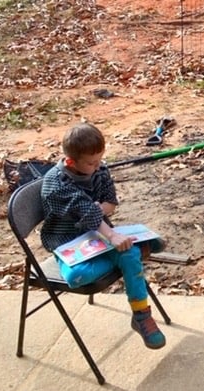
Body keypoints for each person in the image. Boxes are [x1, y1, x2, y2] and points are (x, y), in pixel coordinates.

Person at [40, 123, 166, 349]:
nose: (98, 166)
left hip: (98, 235)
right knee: (77, 277)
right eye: (91, 163)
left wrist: (100, 213)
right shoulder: (55, 184)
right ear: (70, 162)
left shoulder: (99, 169)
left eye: (100, 159)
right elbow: (85, 210)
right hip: (67, 242)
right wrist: (107, 228)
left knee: (128, 256)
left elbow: (110, 203)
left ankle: (141, 315)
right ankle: (139, 250)